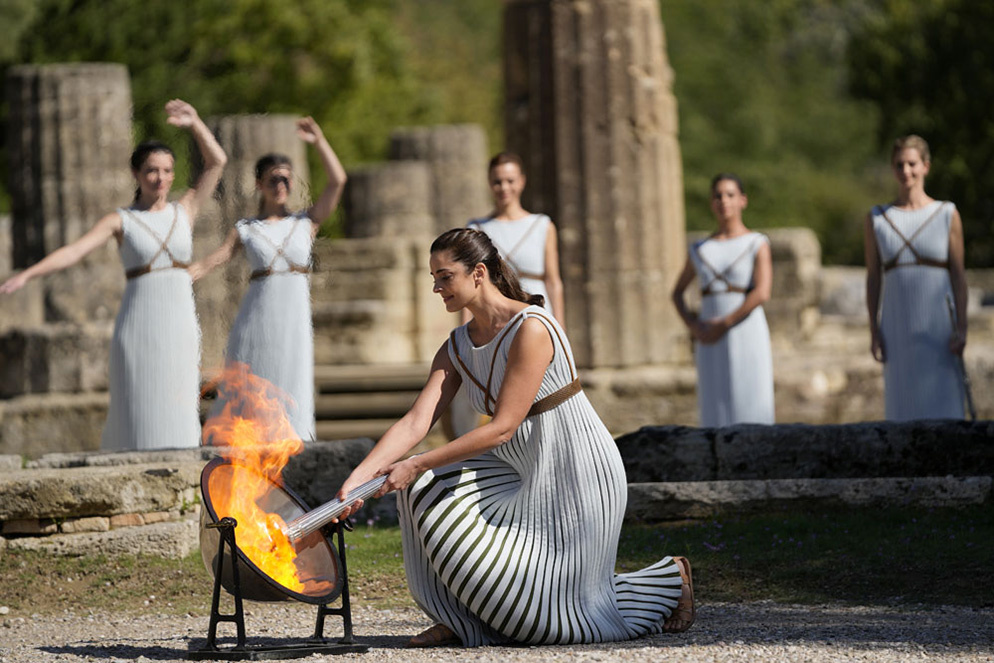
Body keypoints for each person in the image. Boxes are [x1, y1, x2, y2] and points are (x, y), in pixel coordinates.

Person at [335, 228, 695, 648]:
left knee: (550, 626)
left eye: (444, 276)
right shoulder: (455, 346)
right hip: (515, 470)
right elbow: (416, 422)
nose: (435, 287)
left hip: (575, 471)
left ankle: (668, 578)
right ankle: (461, 619)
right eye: (432, 277)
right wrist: (356, 480)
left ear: (478, 273)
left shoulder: (532, 327)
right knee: (422, 491)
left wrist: (416, 462)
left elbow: (503, 426)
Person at [0, 99, 227, 450]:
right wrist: (28, 274)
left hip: (180, 318)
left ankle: (182, 472)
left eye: (167, 171)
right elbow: (74, 251)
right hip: (138, 319)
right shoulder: (121, 219)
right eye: (152, 170)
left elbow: (217, 161)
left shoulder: (186, 209)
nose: (161, 178)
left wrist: (195, 122)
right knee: (138, 397)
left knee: (179, 394)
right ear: (137, 174)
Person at [190, 117, 346, 441]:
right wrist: (180, 277)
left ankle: (295, 439)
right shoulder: (248, 228)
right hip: (258, 313)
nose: (281, 185)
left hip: (294, 314)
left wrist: (319, 141)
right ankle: (245, 440)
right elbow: (215, 258)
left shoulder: (306, 222)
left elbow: (338, 182)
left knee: (293, 375)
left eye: (287, 180)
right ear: (260, 184)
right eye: (274, 179)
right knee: (255, 373)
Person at [449, 152, 567, 437]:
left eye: (510, 180)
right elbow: (469, 285)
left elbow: (553, 281)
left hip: (535, 309)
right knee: (499, 384)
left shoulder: (541, 225)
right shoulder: (477, 228)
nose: (504, 188)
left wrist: (560, 328)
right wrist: (466, 330)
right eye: (497, 181)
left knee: (540, 386)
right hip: (495, 313)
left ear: (522, 182)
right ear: (490, 184)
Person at [864, 135, 968, 420]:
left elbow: (958, 276)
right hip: (897, 325)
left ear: (925, 166)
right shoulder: (877, 218)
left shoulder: (946, 214)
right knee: (902, 402)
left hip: (938, 328)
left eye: (912, 164)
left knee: (945, 400)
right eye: (899, 165)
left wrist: (962, 326)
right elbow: (874, 278)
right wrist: (874, 329)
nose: (905, 171)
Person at [671, 173, 774, 427]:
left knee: (750, 396)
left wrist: (725, 322)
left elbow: (762, 292)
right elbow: (677, 293)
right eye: (718, 195)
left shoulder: (756, 243)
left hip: (745, 329)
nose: (723, 201)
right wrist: (693, 326)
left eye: (730, 195)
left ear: (743, 200)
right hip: (708, 335)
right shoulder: (700, 249)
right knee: (714, 401)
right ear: (711, 202)